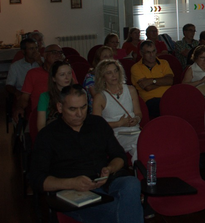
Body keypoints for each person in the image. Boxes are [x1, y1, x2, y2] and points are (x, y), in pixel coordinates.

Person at [29, 85, 142, 223]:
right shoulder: (48, 135)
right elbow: (37, 179)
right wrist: (72, 183)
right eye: (72, 109)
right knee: (121, 207)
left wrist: (110, 169)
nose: (79, 114)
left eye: (83, 107)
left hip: (105, 182)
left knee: (132, 183)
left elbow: (119, 156)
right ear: (60, 107)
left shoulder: (98, 124)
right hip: (73, 192)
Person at [93, 59, 142, 160]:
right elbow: (97, 125)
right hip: (115, 134)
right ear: (102, 76)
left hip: (134, 130)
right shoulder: (100, 97)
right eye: (109, 73)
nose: (114, 75)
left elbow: (138, 113)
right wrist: (119, 123)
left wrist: (136, 119)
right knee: (139, 144)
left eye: (116, 71)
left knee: (147, 141)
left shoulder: (131, 90)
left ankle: (141, 166)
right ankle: (142, 168)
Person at [13, 44, 71, 122]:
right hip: (42, 115)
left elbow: (75, 91)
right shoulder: (33, 73)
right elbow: (24, 98)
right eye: (54, 52)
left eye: (60, 53)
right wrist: (19, 107)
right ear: (45, 55)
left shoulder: (67, 71)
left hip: (67, 114)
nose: (58, 55)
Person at [131, 40, 173, 119]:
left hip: (168, 97)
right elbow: (147, 87)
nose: (152, 55)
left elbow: (170, 81)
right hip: (150, 101)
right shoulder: (136, 67)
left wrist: (151, 81)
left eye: (153, 51)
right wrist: (163, 81)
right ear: (141, 53)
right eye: (148, 52)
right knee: (164, 107)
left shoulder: (164, 63)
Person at [37, 61, 75, 131]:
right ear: (53, 78)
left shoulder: (77, 94)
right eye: (62, 74)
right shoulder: (45, 96)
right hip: (53, 132)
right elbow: (41, 126)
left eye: (69, 73)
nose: (67, 77)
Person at [83, 46, 115, 113]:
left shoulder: (115, 74)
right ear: (98, 60)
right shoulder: (90, 77)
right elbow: (96, 97)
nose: (109, 59)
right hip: (98, 109)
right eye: (105, 56)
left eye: (110, 56)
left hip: (114, 105)